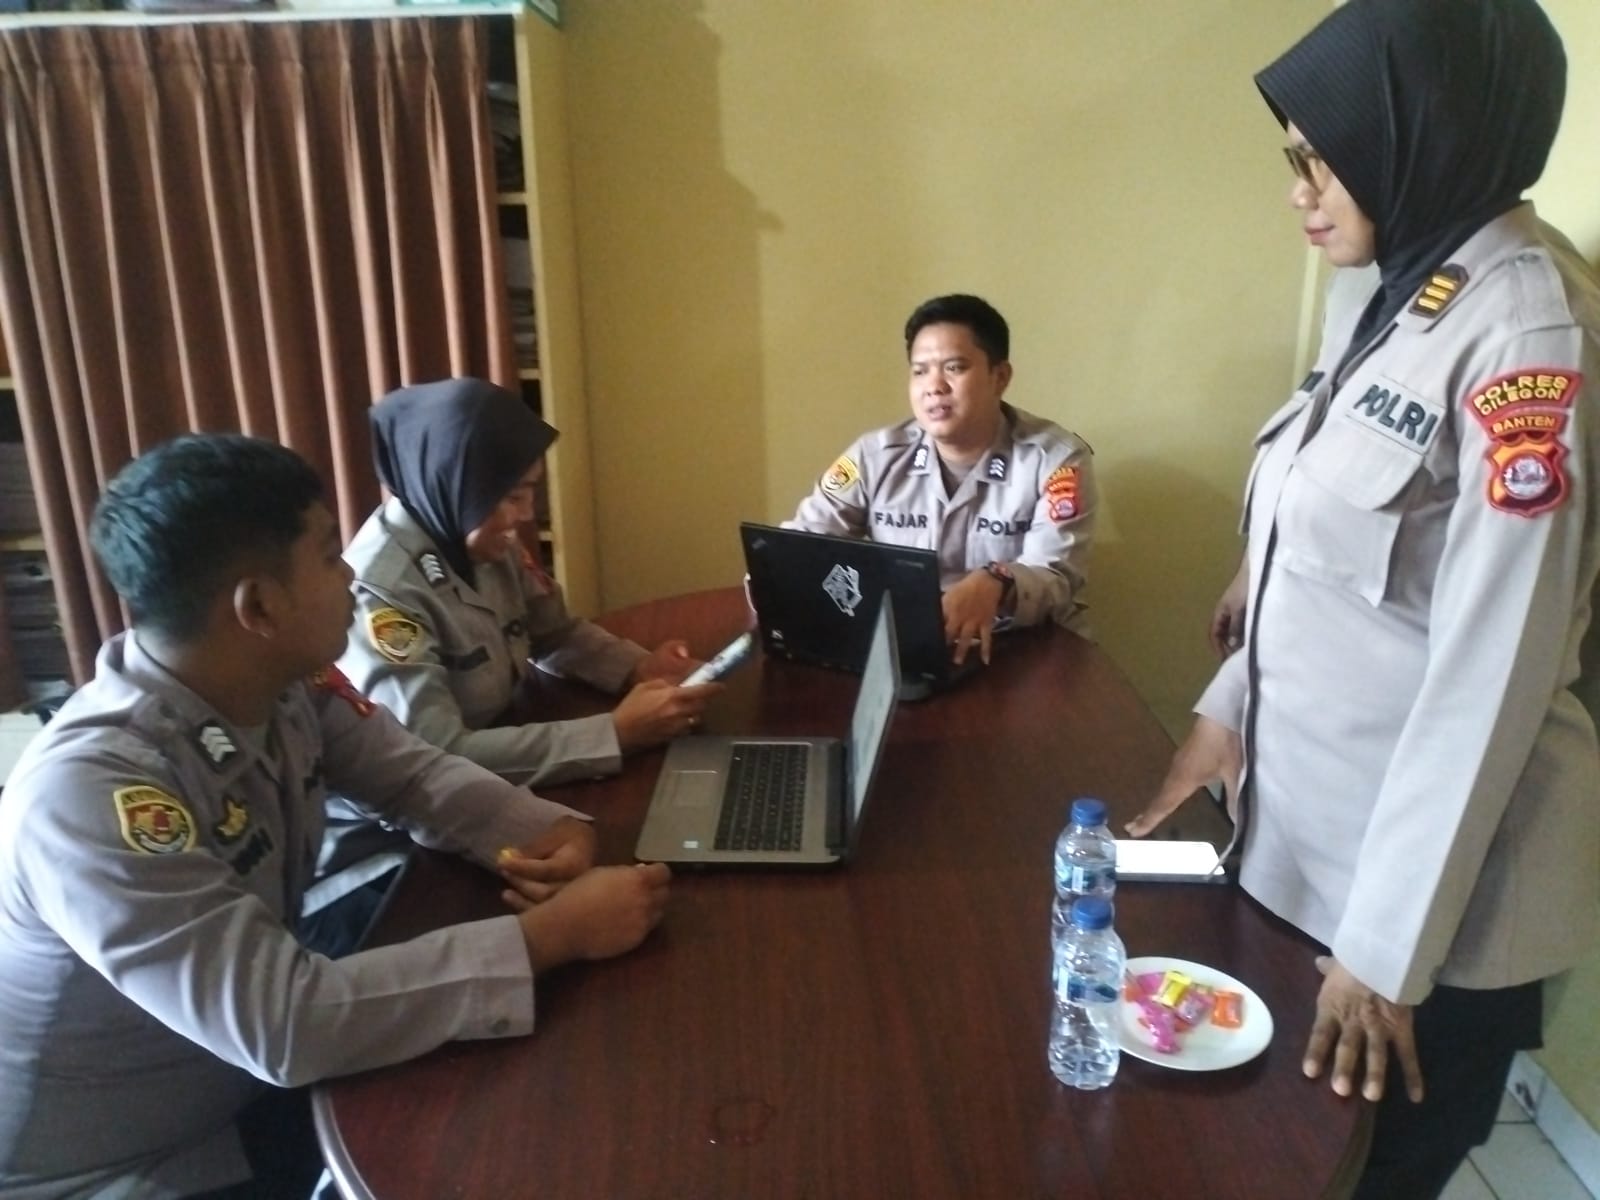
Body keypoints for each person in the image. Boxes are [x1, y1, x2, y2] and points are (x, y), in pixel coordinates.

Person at [1127, 3, 1599, 1197]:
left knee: (1364, 1179)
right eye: (1293, 158)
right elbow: (1315, 566)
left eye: (1319, 161)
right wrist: (1222, 714)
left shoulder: (1527, 338)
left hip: (1425, 925)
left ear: (1421, 134)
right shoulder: (1401, 291)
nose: (1299, 192)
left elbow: (1492, 675)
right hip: (1304, 851)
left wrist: (1385, 954)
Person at [0, 434, 672, 1198]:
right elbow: (286, 1023)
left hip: (239, 1085)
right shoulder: (91, 796)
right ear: (258, 605)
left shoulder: (280, 681)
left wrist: (545, 831)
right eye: (327, 556)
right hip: (120, 1163)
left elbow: (414, 774)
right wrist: (552, 937)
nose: (351, 573)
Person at [339, 378, 717, 787]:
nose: (526, 515)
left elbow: (555, 633)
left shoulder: (475, 533)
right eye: (513, 497)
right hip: (420, 813)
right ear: (459, 489)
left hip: (503, 767)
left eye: (530, 493)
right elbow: (435, 758)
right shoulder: (383, 595)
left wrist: (637, 667)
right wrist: (614, 734)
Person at [787, 293, 1096, 663]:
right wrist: (774, 579)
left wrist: (999, 582)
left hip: (1024, 650)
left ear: (999, 377)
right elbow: (804, 541)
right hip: (910, 648)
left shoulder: (1055, 460)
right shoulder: (875, 456)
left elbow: (1057, 576)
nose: (934, 386)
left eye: (954, 368)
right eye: (920, 371)